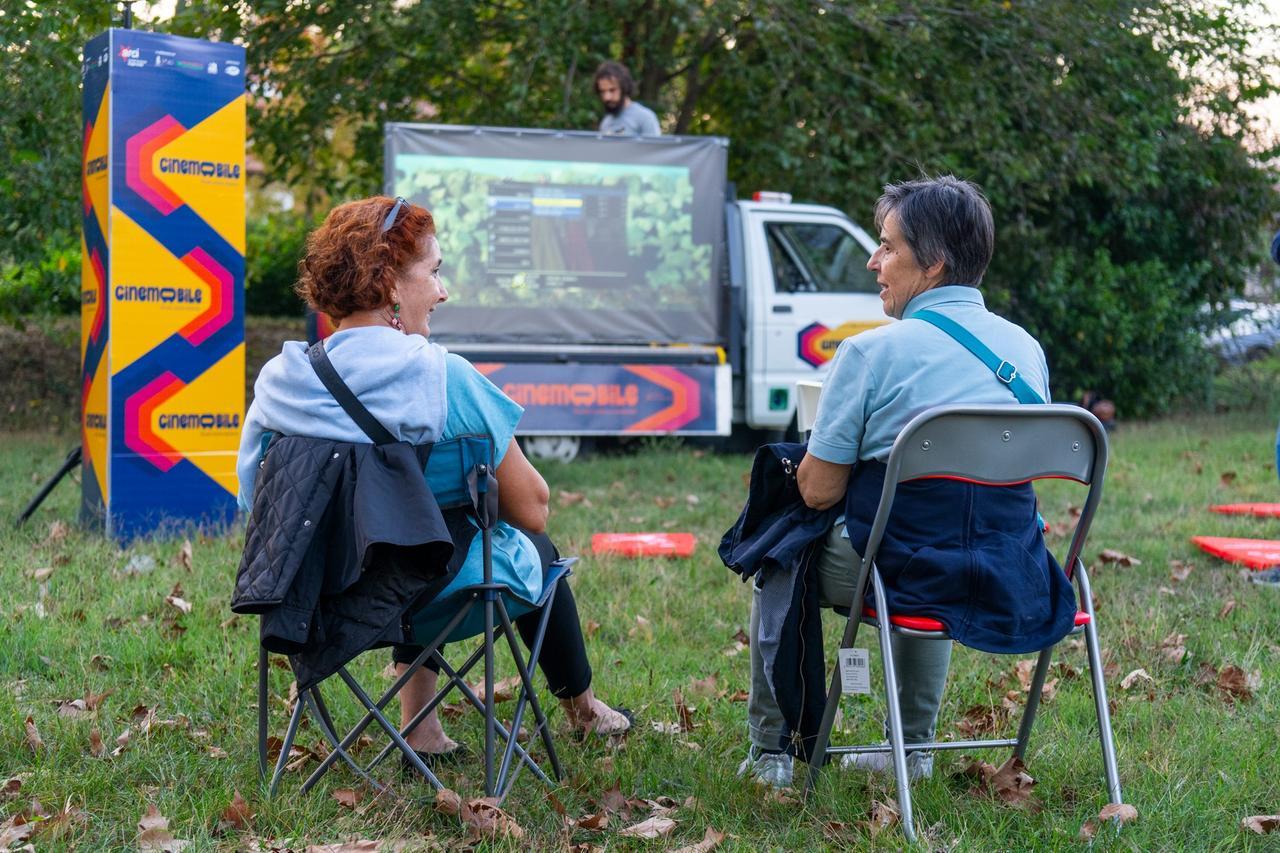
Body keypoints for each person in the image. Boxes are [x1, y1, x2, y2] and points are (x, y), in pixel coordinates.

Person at [237, 196, 632, 768]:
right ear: (389, 282)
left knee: (411, 535)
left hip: (313, 592)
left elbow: (258, 499)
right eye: (434, 272)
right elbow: (533, 508)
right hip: (426, 593)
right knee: (497, 545)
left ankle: (421, 728)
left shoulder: (280, 380)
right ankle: (585, 711)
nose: (443, 291)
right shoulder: (444, 379)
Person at [735, 175, 1077, 788]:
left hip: (898, 570)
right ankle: (911, 749)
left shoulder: (870, 356)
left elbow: (817, 492)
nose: (873, 261)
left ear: (934, 262)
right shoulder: (1026, 350)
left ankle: (773, 753)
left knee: (782, 558)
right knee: (935, 538)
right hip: (1012, 568)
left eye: (888, 247)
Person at [594, 61, 661, 136]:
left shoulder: (645, 118)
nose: (607, 97)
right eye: (602, 92)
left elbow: (655, 147)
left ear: (624, 88)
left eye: (612, 90)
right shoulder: (606, 123)